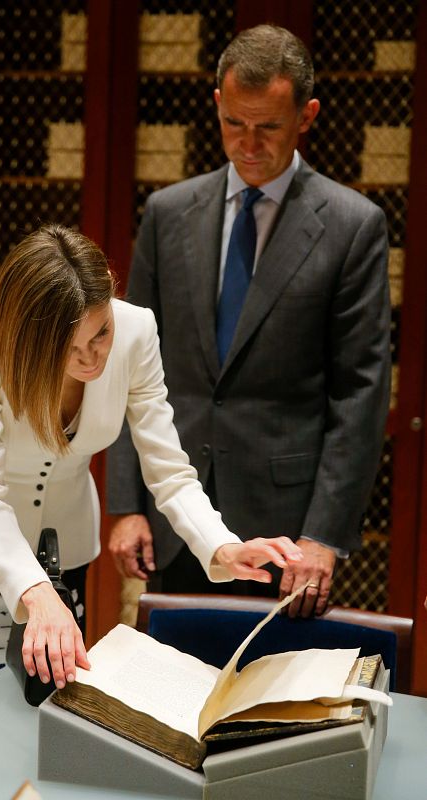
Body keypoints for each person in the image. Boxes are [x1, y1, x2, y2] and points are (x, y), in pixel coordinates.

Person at [0, 223, 302, 689]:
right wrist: (35, 592)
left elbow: (169, 470)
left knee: (49, 713)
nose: (92, 358)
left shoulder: (136, 331)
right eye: (69, 349)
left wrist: (222, 545)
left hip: (63, 552)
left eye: (100, 334)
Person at [106, 24, 391, 618]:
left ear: (306, 116)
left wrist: (323, 536)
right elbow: (129, 364)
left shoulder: (352, 225)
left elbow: (359, 396)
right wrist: (127, 502)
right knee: (162, 696)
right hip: (174, 512)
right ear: (217, 103)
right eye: (234, 123)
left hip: (286, 535)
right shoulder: (168, 213)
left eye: (268, 127)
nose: (248, 144)